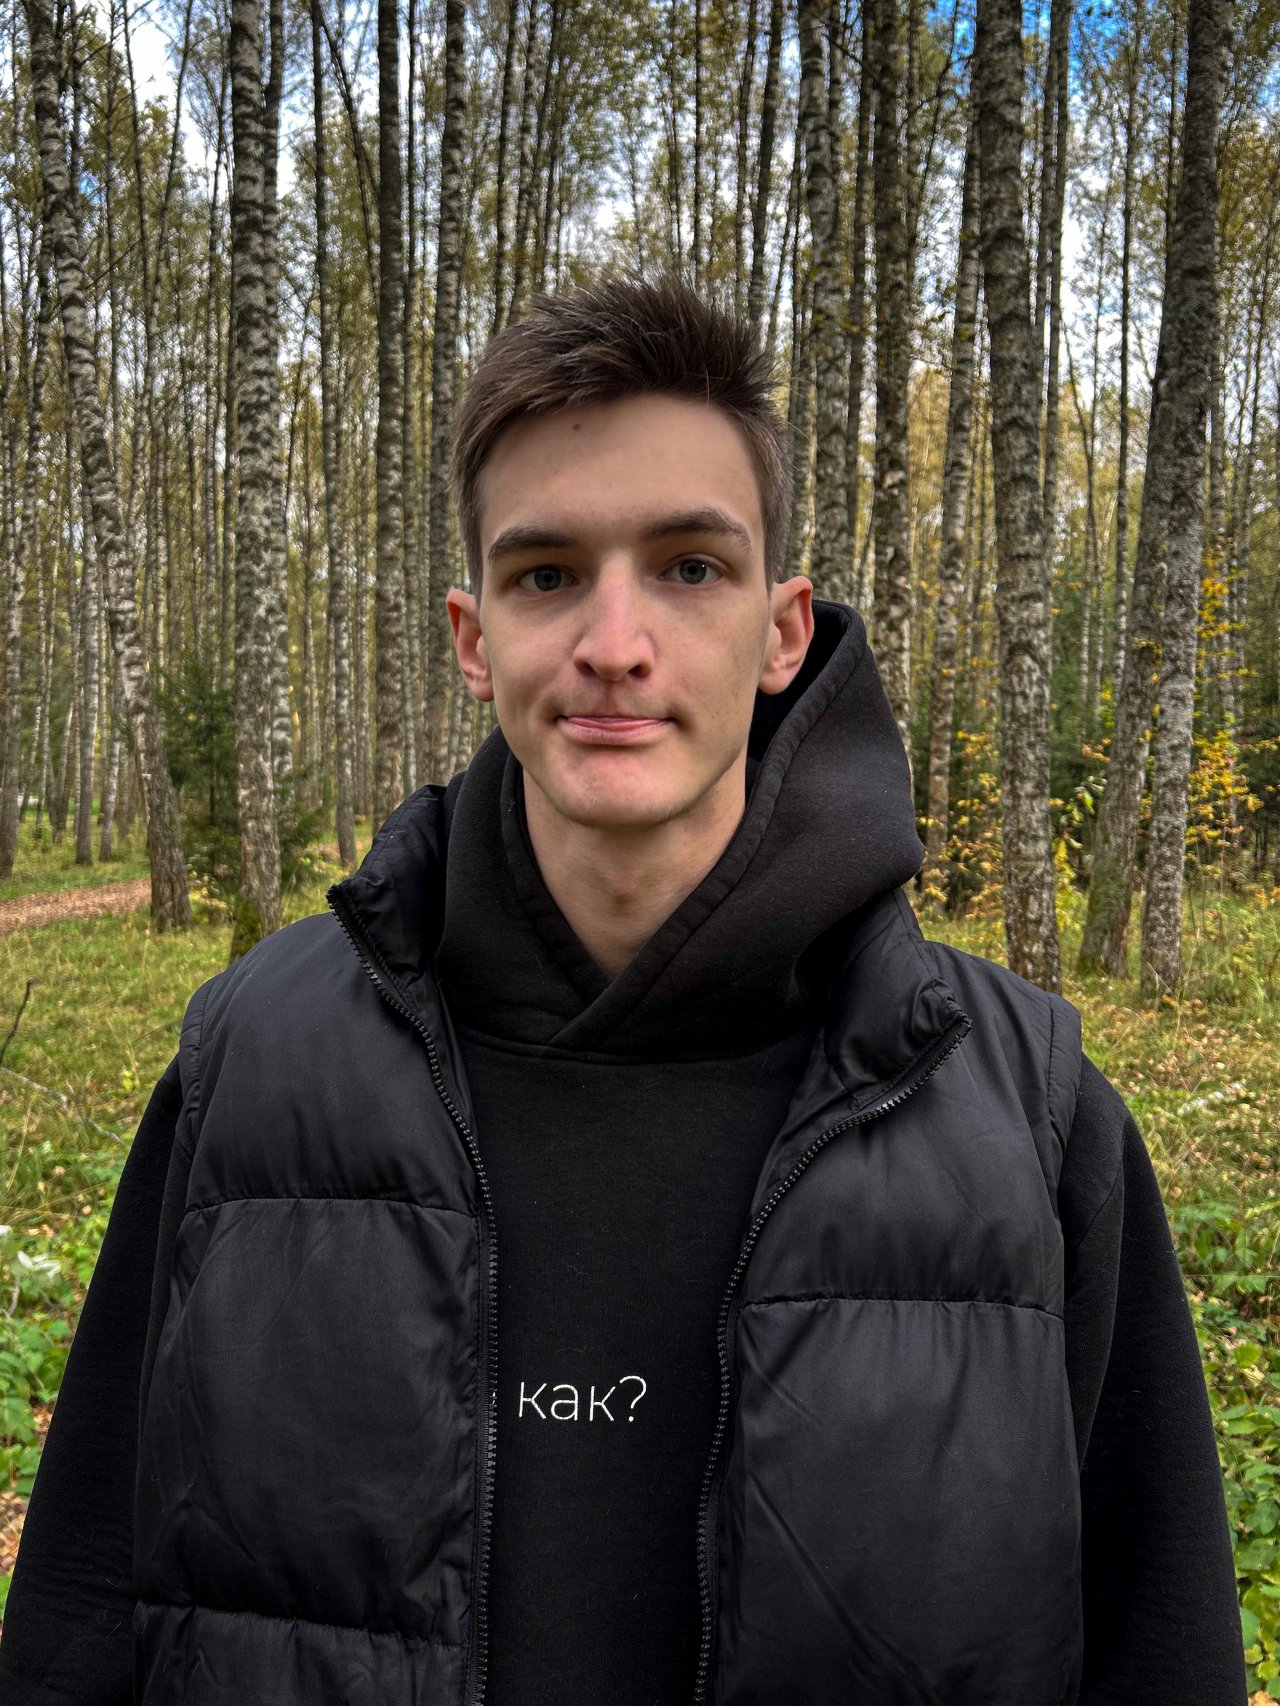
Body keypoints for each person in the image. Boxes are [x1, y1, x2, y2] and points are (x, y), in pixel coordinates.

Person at [0, 267, 1246, 1706]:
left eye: (689, 567)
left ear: (783, 631)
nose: (613, 643)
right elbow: (80, 1619)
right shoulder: (252, 1071)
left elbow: (1164, 1650)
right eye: (546, 574)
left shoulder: (1028, 1121)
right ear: (475, 639)